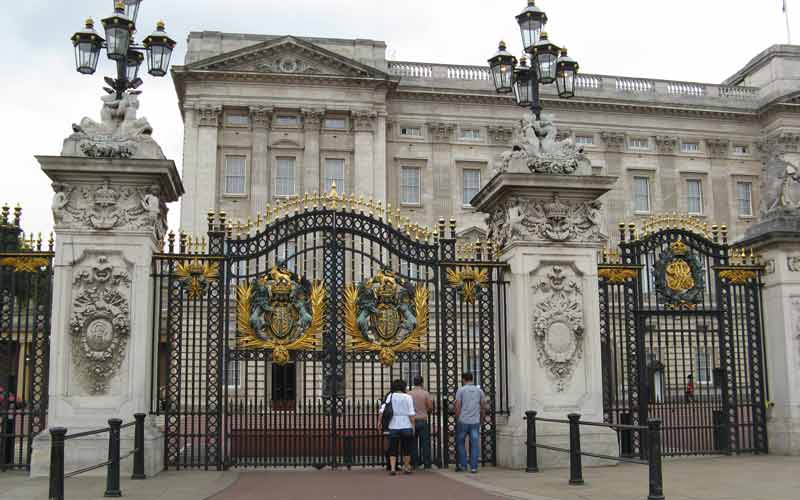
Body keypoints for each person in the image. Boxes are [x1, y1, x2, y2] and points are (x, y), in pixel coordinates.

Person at [379, 379, 416, 475]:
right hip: (406, 424)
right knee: (407, 448)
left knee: (393, 448)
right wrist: (413, 426)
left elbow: (382, 410)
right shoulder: (408, 397)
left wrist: (379, 422)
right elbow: (411, 413)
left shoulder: (390, 396)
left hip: (393, 425)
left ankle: (392, 468)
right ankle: (407, 467)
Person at [454, 372, 486, 473]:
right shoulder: (479, 391)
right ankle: (474, 467)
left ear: (464, 379)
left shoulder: (461, 390)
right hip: (475, 421)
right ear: (472, 379)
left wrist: (458, 417)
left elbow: (458, 405)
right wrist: (482, 418)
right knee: (475, 444)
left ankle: (463, 465)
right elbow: (483, 406)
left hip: (463, 420)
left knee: (460, 443)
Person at [409, 376, 434, 469]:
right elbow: (430, 407)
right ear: (422, 383)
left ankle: (415, 463)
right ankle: (427, 463)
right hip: (423, 420)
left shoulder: (409, 394)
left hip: (412, 421)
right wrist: (426, 411)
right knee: (425, 443)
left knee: (413, 443)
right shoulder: (425, 393)